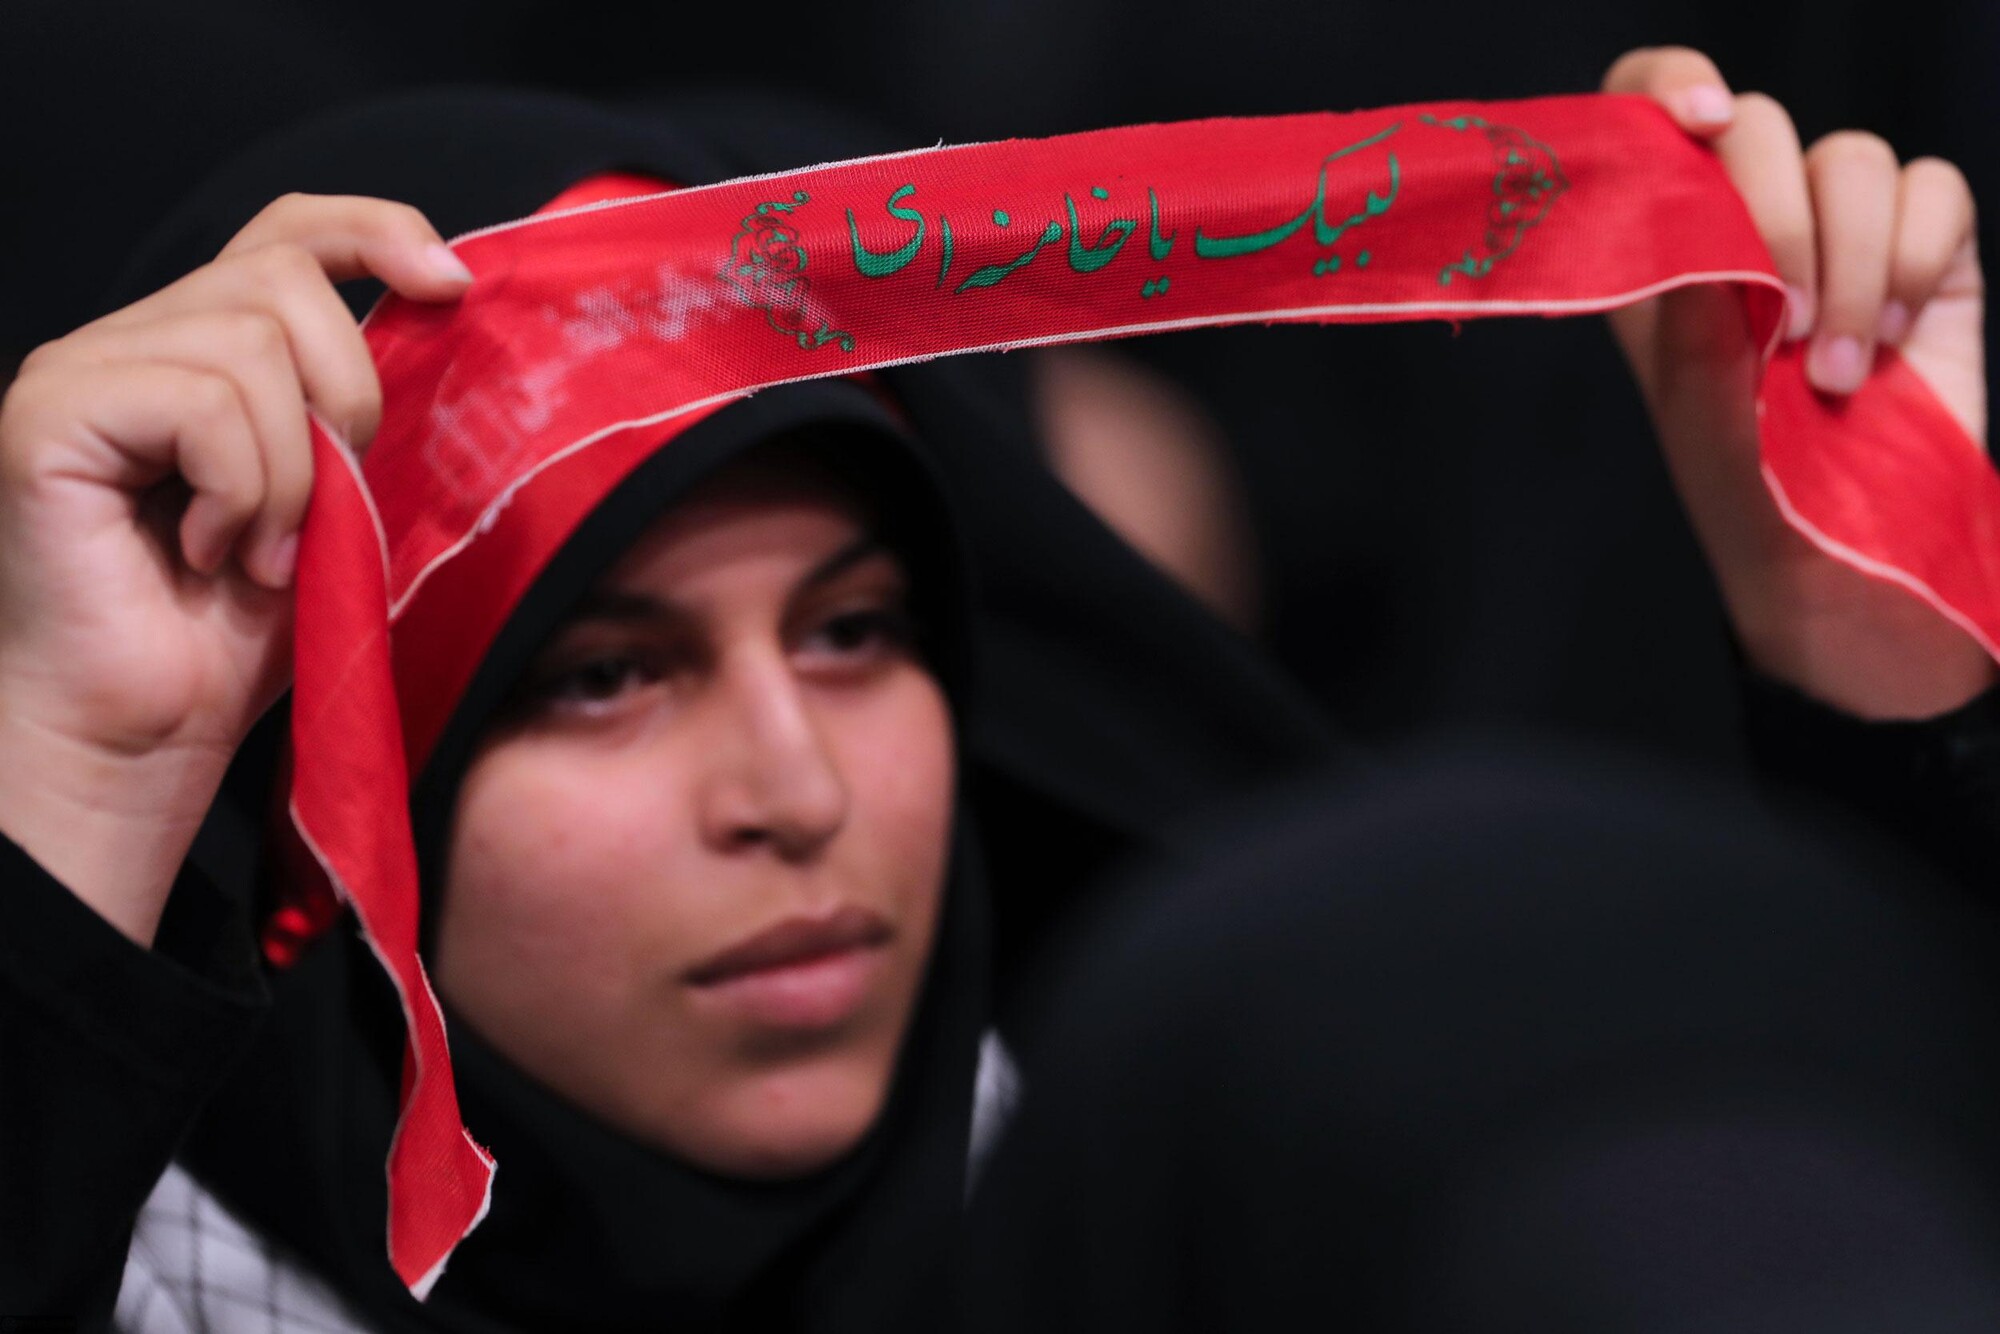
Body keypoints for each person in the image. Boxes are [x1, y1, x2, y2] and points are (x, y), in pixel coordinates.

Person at [1, 42, 1996, 1333]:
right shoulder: (126, 1256)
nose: (793, 789)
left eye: (857, 631)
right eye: (602, 676)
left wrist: (1887, 694)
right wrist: (91, 780)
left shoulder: (1248, 1205)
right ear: (328, 796)